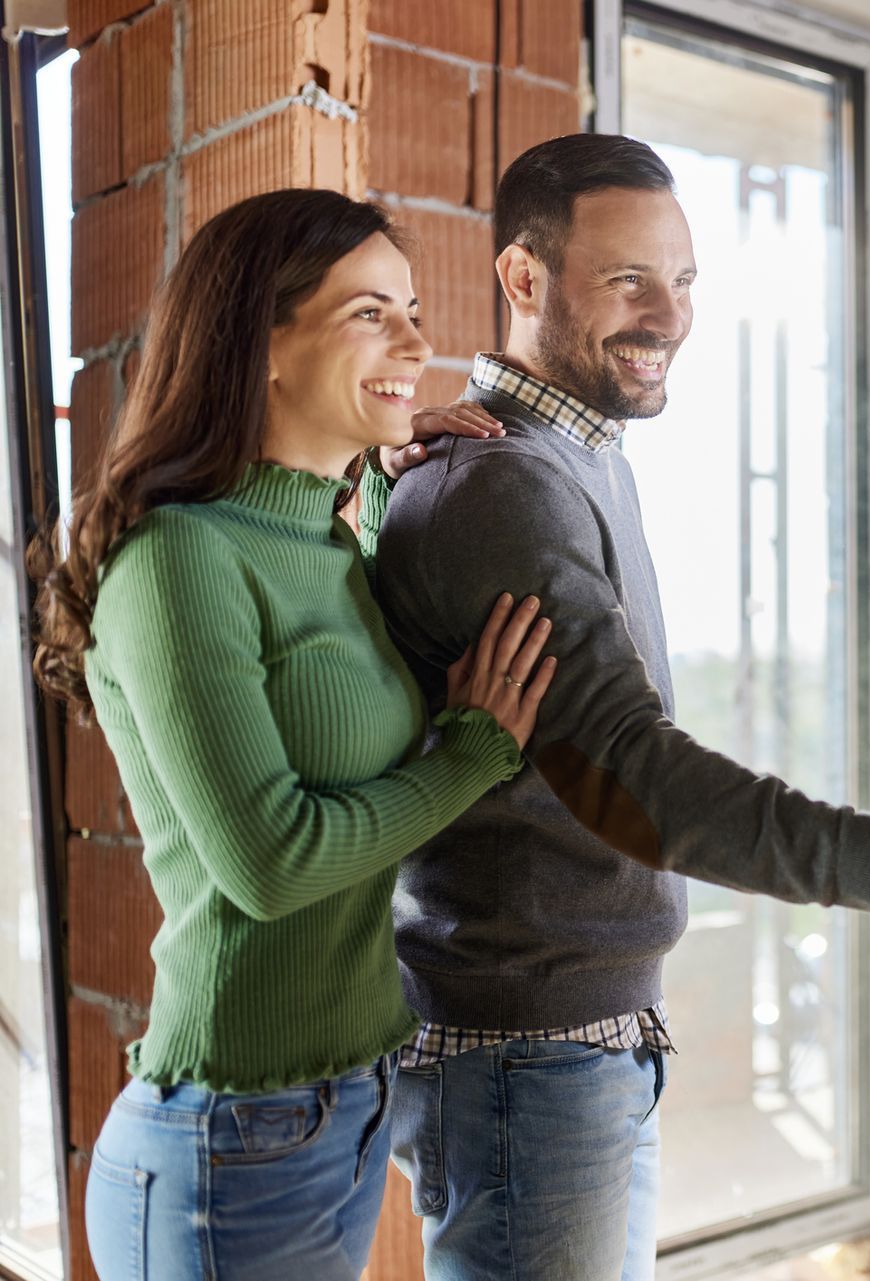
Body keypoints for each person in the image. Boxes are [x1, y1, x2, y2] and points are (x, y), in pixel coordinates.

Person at [368, 133, 870, 1280]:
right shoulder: (500, 485)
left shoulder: (568, 459)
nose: (671, 316)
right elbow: (631, 774)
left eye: (684, 281)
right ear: (525, 280)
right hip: (526, 1053)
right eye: (630, 280)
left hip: (573, 1040)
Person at [31, 188, 557, 1280]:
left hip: (346, 1105)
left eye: (412, 312)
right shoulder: (180, 560)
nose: (419, 342)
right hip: (231, 1136)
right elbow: (271, 863)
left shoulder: (328, 540)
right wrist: (473, 752)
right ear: (257, 345)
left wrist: (393, 457)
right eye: (373, 315)